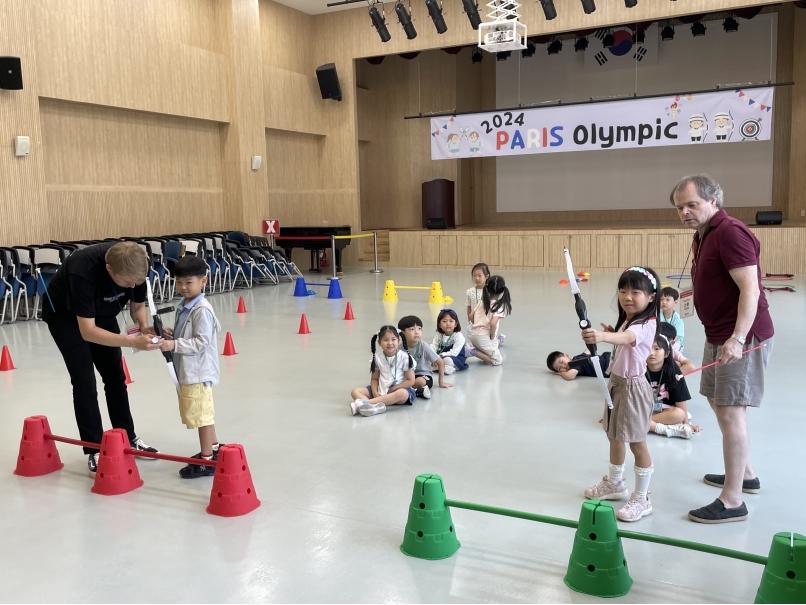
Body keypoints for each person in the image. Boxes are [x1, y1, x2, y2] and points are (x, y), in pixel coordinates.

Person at [670, 174, 773, 524]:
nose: (684, 212)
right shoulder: (704, 234)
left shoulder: (730, 232)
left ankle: (732, 501)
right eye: (679, 207)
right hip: (718, 333)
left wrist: (738, 338)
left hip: (739, 337)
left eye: (692, 204)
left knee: (731, 412)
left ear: (714, 201)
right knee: (717, 400)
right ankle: (745, 476)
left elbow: (751, 290)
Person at [42, 241, 162, 476]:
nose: (132, 285)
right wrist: (131, 342)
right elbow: (87, 331)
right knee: (85, 381)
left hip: (104, 312)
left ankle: (127, 437)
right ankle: (94, 448)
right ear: (109, 269)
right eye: (127, 282)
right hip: (65, 317)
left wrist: (144, 327)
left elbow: (137, 306)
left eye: (135, 282)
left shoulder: (136, 264)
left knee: (115, 377)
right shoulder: (82, 270)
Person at [581, 266, 660, 522]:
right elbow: (623, 337)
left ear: (651, 297)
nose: (627, 296)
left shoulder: (645, 324)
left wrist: (604, 336)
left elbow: (627, 338)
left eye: (636, 291)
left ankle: (642, 497)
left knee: (637, 442)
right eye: (623, 290)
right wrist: (610, 333)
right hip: (616, 384)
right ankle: (615, 484)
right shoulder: (630, 317)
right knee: (614, 436)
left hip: (633, 389)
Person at [158, 256, 222, 478]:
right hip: (189, 370)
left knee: (201, 417)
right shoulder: (185, 305)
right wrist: (171, 335)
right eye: (179, 282)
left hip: (198, 373)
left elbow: (201, 342)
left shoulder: (201, 309)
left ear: (203, 281)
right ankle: (213, 449)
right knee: (204, 413)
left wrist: (174, 344)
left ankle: (206, 462)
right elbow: (187, 334)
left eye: (189, 282)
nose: (183, 287)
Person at [350, 326, 415, 416]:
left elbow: (411, 380)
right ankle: (376, 405)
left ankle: (366, 403)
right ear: (379, 342)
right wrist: (375, 393)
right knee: (355, 391)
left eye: (393, 339)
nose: (390, 343)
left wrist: (394, 388)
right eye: (385, 340)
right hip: (381, 388)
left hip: (398, 389)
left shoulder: (404, 357)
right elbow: (374, 379)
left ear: (398, 341)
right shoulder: (377, 358)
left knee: (402, 394)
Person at [646, 334, 700, 439]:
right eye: (647, 348)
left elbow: (680, 400)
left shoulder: (674, 372)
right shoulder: (638, 370)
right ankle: (665, 429)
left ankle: (643, 424)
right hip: (644, 410)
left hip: (665, 412)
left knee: (680, 414)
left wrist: (686, 424)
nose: (651, 353)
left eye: (657, 349)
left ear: (666, 354)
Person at [398, 315, 452, 397]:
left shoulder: (424, 346)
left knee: (420, 382)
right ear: (402, 333)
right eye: (412, 329)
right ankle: (416, 391)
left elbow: (440, 362)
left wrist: (441, 382)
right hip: (407, 376)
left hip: (423, 375)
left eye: (419, 328)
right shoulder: (399, 349)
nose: (417, 332)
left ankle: (404, 389)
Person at [470, 275, 512, 366]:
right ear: (502, 291)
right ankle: (471, 351)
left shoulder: (482, 302)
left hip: (473, 335)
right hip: (484, 338)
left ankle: (499, 340)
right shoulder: (499, 305)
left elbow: (471, 315)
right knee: (497, 360)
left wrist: (475, 324)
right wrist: (492, 335)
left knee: (492, 346)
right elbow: (493, 323)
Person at [429, 309, 468, 374]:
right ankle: (444, 368)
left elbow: (454, 352)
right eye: (444, 321)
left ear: (456, 324)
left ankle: (435, 368)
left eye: (451, 321)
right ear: (439, 325)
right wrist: (433, 356)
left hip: (455, 358)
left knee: (448, 360)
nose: (448, 324)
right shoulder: (439, 335)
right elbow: (434, 346)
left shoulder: (458, 336)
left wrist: (440, 357)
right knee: (427, 358)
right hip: (439, 357)